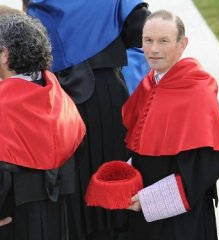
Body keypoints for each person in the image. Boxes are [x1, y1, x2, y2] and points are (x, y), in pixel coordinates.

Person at [25, 1, 150, 239]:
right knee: (114, 185)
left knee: (73, 194)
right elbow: (143, 32)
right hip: (107, 97)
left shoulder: (39, 5)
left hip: (58, 105)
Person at [122, 10, 219, 240]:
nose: (153, 49)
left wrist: (149, 200)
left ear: (182, 44)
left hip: (181, 221)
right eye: (148, 40)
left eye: (163, 41)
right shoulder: (149, 83)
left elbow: (206, 166)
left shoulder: (198, 92)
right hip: (142, 212)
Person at [0, 12, 86, 240]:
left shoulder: (4, 105)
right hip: (59, 215)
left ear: (5, 55)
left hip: (13, 221)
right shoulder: (58, 96)